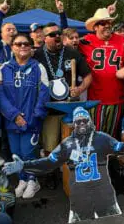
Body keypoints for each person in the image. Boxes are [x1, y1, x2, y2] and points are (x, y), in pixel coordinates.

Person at [2, 107, 124, 223]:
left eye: (85, 120)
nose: (82, 124)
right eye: (78, 121)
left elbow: (122, 147)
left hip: (104, 193)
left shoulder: (102, 138)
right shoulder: (67, 144)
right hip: (80, 195)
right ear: (74, 125)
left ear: (91, 122)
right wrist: (24, 166)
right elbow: (48, 163)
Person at [0, 33, 51, 199]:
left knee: (28, 152)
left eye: (26, 44)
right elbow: (0, 95)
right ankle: (22, 179)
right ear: (12, 47)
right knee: (16, 153)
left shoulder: (38, 67)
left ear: (31, 47)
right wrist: (14, 116)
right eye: (18, 44)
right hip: (12, 121)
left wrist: (33, 117)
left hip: (31, 121)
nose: (22, 47)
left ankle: (33, 180)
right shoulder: (4, 68)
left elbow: (44, 94)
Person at [34, 21, 92, 155]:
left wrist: (79, 89)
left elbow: (88, 76)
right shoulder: (37, 55)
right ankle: (51, 174)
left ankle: (68, 174)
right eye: (52, 34)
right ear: (44, 38)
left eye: (59, 33)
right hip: (49, 109)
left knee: (72, 147)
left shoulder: (72, 53)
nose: (57, 36)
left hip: (70, 108)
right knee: (50, 147)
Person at [80, 6, 124, 137]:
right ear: (95, 27)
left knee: (111, 135)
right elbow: (68, 39)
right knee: (94, 133)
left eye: (109, 23)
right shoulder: (86, 41)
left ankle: (108, 157)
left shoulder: (121, 39)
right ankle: (95, 157)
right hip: (95, 97)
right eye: (103, 23)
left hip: (117, 95)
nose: (107, 26)